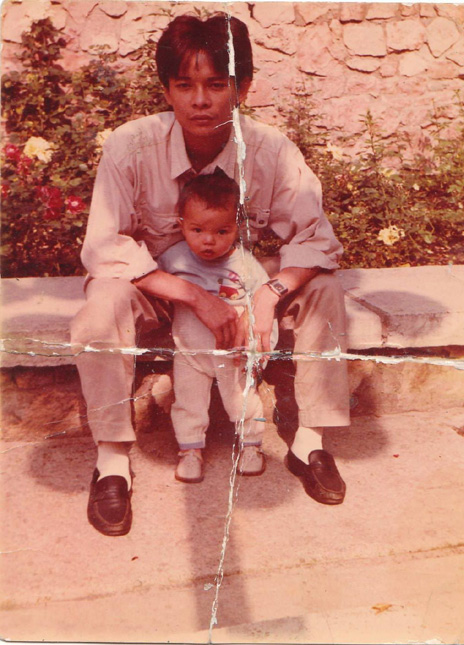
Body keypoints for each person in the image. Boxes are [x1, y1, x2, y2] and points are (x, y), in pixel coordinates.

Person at [71, 12, 349, 538]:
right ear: (166, 90)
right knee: (100, 305)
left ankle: (309, 441)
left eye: (217, 85)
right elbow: (104, 245)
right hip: (157, 285)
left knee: (324, 288)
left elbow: (316, 238)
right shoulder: (129, 146)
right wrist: (193, 297)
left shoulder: (270, 151)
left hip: (237, 280)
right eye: (185, 85)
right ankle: (112, 462)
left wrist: (268, 294)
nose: (200, 101)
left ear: (243, 88)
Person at [158, 173, 278, 483]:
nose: (208, 240)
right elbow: (154, 289)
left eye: (221, 231)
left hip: (233, 353)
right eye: (197, 230)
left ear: (237, 228)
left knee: (242, 398)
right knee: (188, 401)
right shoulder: (173, 260)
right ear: (181, 224)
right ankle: (190, 450)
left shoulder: (245, 265)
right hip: (190, 352)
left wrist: (258, 349)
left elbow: (262, 310)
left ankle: (251, 445)